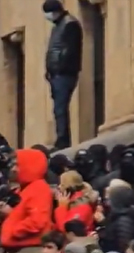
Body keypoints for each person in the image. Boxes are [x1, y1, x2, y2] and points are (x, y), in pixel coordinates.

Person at [42, 0, 83, 150]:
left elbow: (71, 51)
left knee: (60, 107)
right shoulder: (58, 26)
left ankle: (63, 140)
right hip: (57, 73)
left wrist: (61, 68)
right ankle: (61, 137)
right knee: (58, 108)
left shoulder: (70, 24)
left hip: (64, 73)